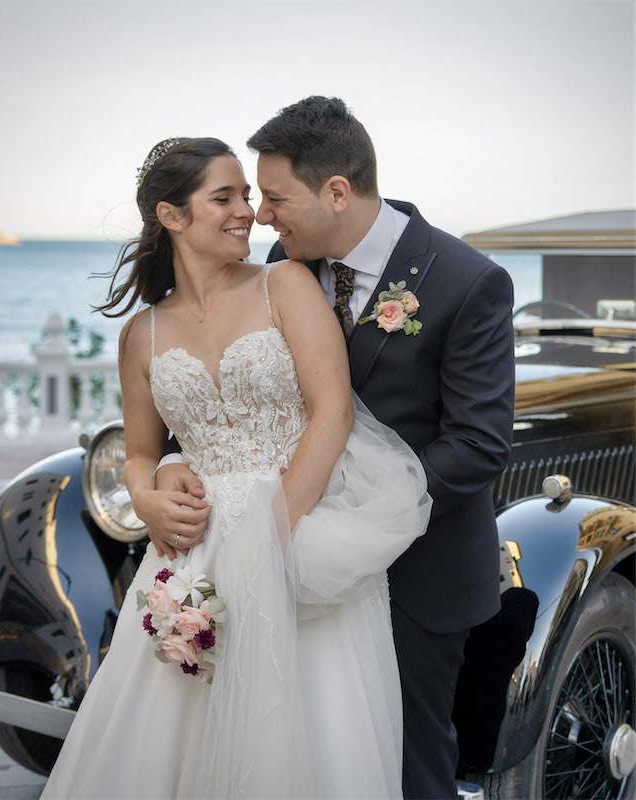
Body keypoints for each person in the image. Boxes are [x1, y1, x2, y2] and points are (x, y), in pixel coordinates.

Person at [40, 137, 431, 800]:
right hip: (194, 555)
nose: (247, 211)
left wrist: (271, 540)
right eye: (223, 198)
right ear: (172, 216)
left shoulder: (285, 285)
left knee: (311, 736)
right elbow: (141, 452)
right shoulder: (142, 335)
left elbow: (332, 412)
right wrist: (147, 495)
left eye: (246, 196)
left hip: (302, 541)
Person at [153, 98, 516, 799]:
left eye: (276, 198)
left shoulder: (467, 281)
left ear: (338, 192)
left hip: (415, 573)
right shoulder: (280, 264)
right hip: (279, 555)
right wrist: (172, 461)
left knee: (404, 765)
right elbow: (230, 390)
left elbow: (477, 443)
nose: (261, 216)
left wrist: (349, 524)